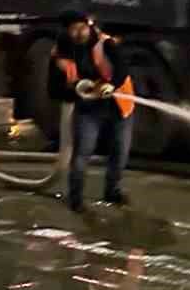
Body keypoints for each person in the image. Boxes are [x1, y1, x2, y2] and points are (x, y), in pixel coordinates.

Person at [48, 11, 135, 212]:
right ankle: (75, 199)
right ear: (67, 31)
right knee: (82, 153)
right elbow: (53, 89)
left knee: (120, 152)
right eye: (74, 29)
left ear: (90, 26)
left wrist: (111, 85)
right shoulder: (61, 54)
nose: (79, 33)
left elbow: (122, 68)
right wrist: (77, 89)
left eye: (82, 28)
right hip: (88, 109)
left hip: (119, 105)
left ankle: (112, 192)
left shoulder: (105, 44)